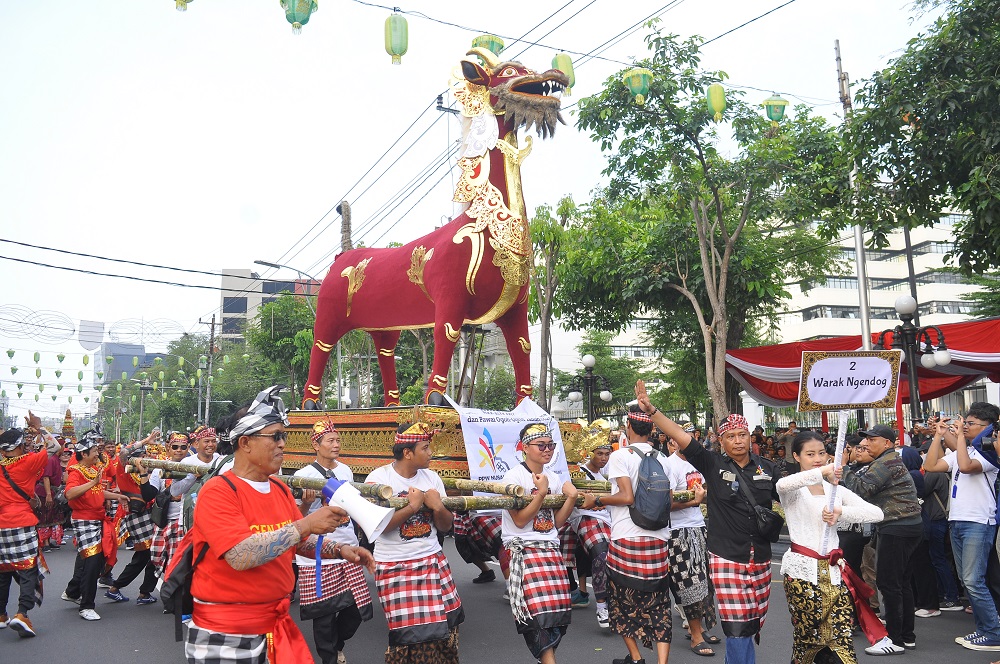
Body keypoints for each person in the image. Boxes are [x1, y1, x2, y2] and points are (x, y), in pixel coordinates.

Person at [184, 386, 374, 664]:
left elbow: (294, 543)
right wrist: (306, 524)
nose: (283, 444)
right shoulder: (218, 491)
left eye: (283, 437)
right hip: (226, 629)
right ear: (245, 443)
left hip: (273, 624)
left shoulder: (279, 489)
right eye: (275, 437)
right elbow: (240, 555)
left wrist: (339, 550)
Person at [634, 380, 776, 664]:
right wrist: (653, 411)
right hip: (726, 556)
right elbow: (681, 436)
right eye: (731, 436)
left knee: (751, 622)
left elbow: (794, 494)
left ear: (751, 438)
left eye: (742, 435)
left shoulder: (768, 468)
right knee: (736, 625)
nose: (738, 441)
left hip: (761, 558)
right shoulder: (713, 465)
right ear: (720, 441)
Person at [777, 431, 884, 663]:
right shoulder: (794, 491)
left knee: (841, 639)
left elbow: (876, 513)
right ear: (796, 456)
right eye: (810, 454)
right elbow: (782, 484)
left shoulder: (835, 491)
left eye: (821, 453)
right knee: (808, 639)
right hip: (802, 573)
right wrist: (822, 471)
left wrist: (840, 512)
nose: (817, 458)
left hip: (835, 573)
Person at [366, 422, 464, 664]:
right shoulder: (378, 479)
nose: (430, 453)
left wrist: (438, 506)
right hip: (394, 566)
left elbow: (444, 526)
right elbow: (377, 528)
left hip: (432, 561)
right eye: (425, 448)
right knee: (408, 637)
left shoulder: (432, 478)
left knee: (444, 631)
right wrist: (412, 507)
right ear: (407, 452)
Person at [294, 418, 373, 664]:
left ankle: (337, 645)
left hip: (347, 545)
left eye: (338, 440)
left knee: (357, 608)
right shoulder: (303, 475)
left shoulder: (346, 471)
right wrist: (306, 502)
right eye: (330, 440)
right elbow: (297, 519)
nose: (336, 444)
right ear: (316, 446)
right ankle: (329, 658)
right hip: (317, 550)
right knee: (324, 614)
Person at [840, 424, 922, 653]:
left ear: (887, 443)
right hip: (908, 527)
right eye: (865, 440)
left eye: (872, 440)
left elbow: (860, 489)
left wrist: (844, 468)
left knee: (889, 583)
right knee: (901, 583)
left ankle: (894, 640)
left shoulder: (885, 462)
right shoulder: (888, 461)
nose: (866, 444)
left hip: (896, 528)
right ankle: (906, 635)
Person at [923, 410, 1000, 651]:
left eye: (971, 423)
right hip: (956, 520)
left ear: (988, 428)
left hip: (978, 521)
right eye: (964, 422)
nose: (964, 426)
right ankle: (983, 629)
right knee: (967, 581)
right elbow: (930, 465)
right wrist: (938, 435)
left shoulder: (991, 454)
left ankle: (993, 633)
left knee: (973, 581)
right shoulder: (962, 452)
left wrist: (960, 441)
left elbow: (966, 467)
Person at [501, 423, 577, 664]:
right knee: (536, 619)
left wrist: (571, 499)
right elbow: (520, 520)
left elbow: (555, 523)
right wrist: (542, 493)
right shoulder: (513, 477)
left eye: (551, 445)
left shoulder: (554, 477)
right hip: (527, 553)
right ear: (525, 447)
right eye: (541, 445)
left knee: (557, 618)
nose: (547, 450)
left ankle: (547, 659)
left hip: (551, 552)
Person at [0, 417, 61, 638]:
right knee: (27, 570)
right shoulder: (27, 462)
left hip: (1, 526)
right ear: (18, 447)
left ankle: (1, 614)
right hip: (22, 522)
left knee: (4, 569)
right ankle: (22, 614)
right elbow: (55, 446)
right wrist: (39, 428)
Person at [61, 430, 129, 621]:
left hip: (97, 519)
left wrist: (117, 496)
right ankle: (86, 606)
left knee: (91, 560)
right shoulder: (76, 471)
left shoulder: (92, 470)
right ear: (84, 454)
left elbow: (98, 493)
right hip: (84, 521)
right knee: (92, 562)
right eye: (93, 450)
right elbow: (70, 494)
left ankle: (72, 592)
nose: (97, 453)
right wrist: (93, 482)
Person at [663, 434, 719, 657]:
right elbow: (664, 503)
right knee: (690, 584)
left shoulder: (698, 462)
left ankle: (701, 628)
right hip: (678, 533)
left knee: (705, 583)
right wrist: (695, 500)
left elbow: (704, 492)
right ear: (672, 443)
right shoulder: (668, 465)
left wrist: (701, 498)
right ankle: (695, 635)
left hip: (698, 528)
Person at [104, 434, 160, 606]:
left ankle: (135, 591)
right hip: (137, 517)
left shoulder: (147, 473)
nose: (141, 459)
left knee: (148, 556)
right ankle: (133, 590)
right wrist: (144, 441)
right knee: (147, 556)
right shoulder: (124, 469)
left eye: (143, 456)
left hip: (147, 516)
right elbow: (123, 453)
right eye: (138, 456)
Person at [149, 432, 198, 580]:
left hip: (182, 520)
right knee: (155, 556)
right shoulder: (159, 468)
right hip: (162, 519)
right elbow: (149, 493)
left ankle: (174, 592)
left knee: (177, 559)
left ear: (188, 447)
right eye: (175, 446)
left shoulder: (195, 467)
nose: (179, 450)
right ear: (168, 448)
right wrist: (144, 477)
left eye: (183, 447)